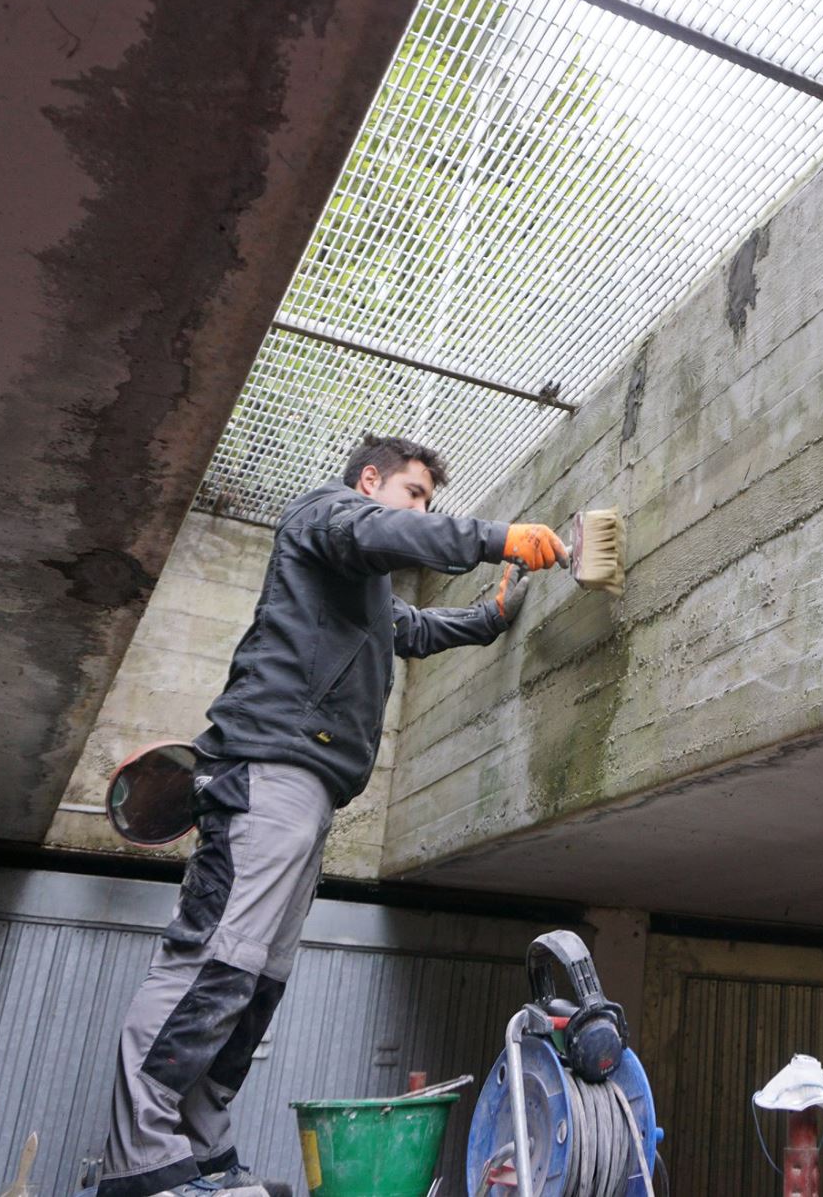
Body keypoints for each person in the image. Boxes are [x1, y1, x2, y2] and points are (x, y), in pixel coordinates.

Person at [96, 434, 569, 1197]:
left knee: (255, 981)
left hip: (308, 791)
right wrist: (493, 538)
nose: (421, 510)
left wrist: (490, 615)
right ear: (370, 480)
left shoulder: (360, 593)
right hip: (268, 770)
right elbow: (382, 532)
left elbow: (409, 629)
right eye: (415, 493)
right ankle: (141, 1164)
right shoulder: (326, 513)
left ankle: (205, 1157)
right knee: (215, 958)